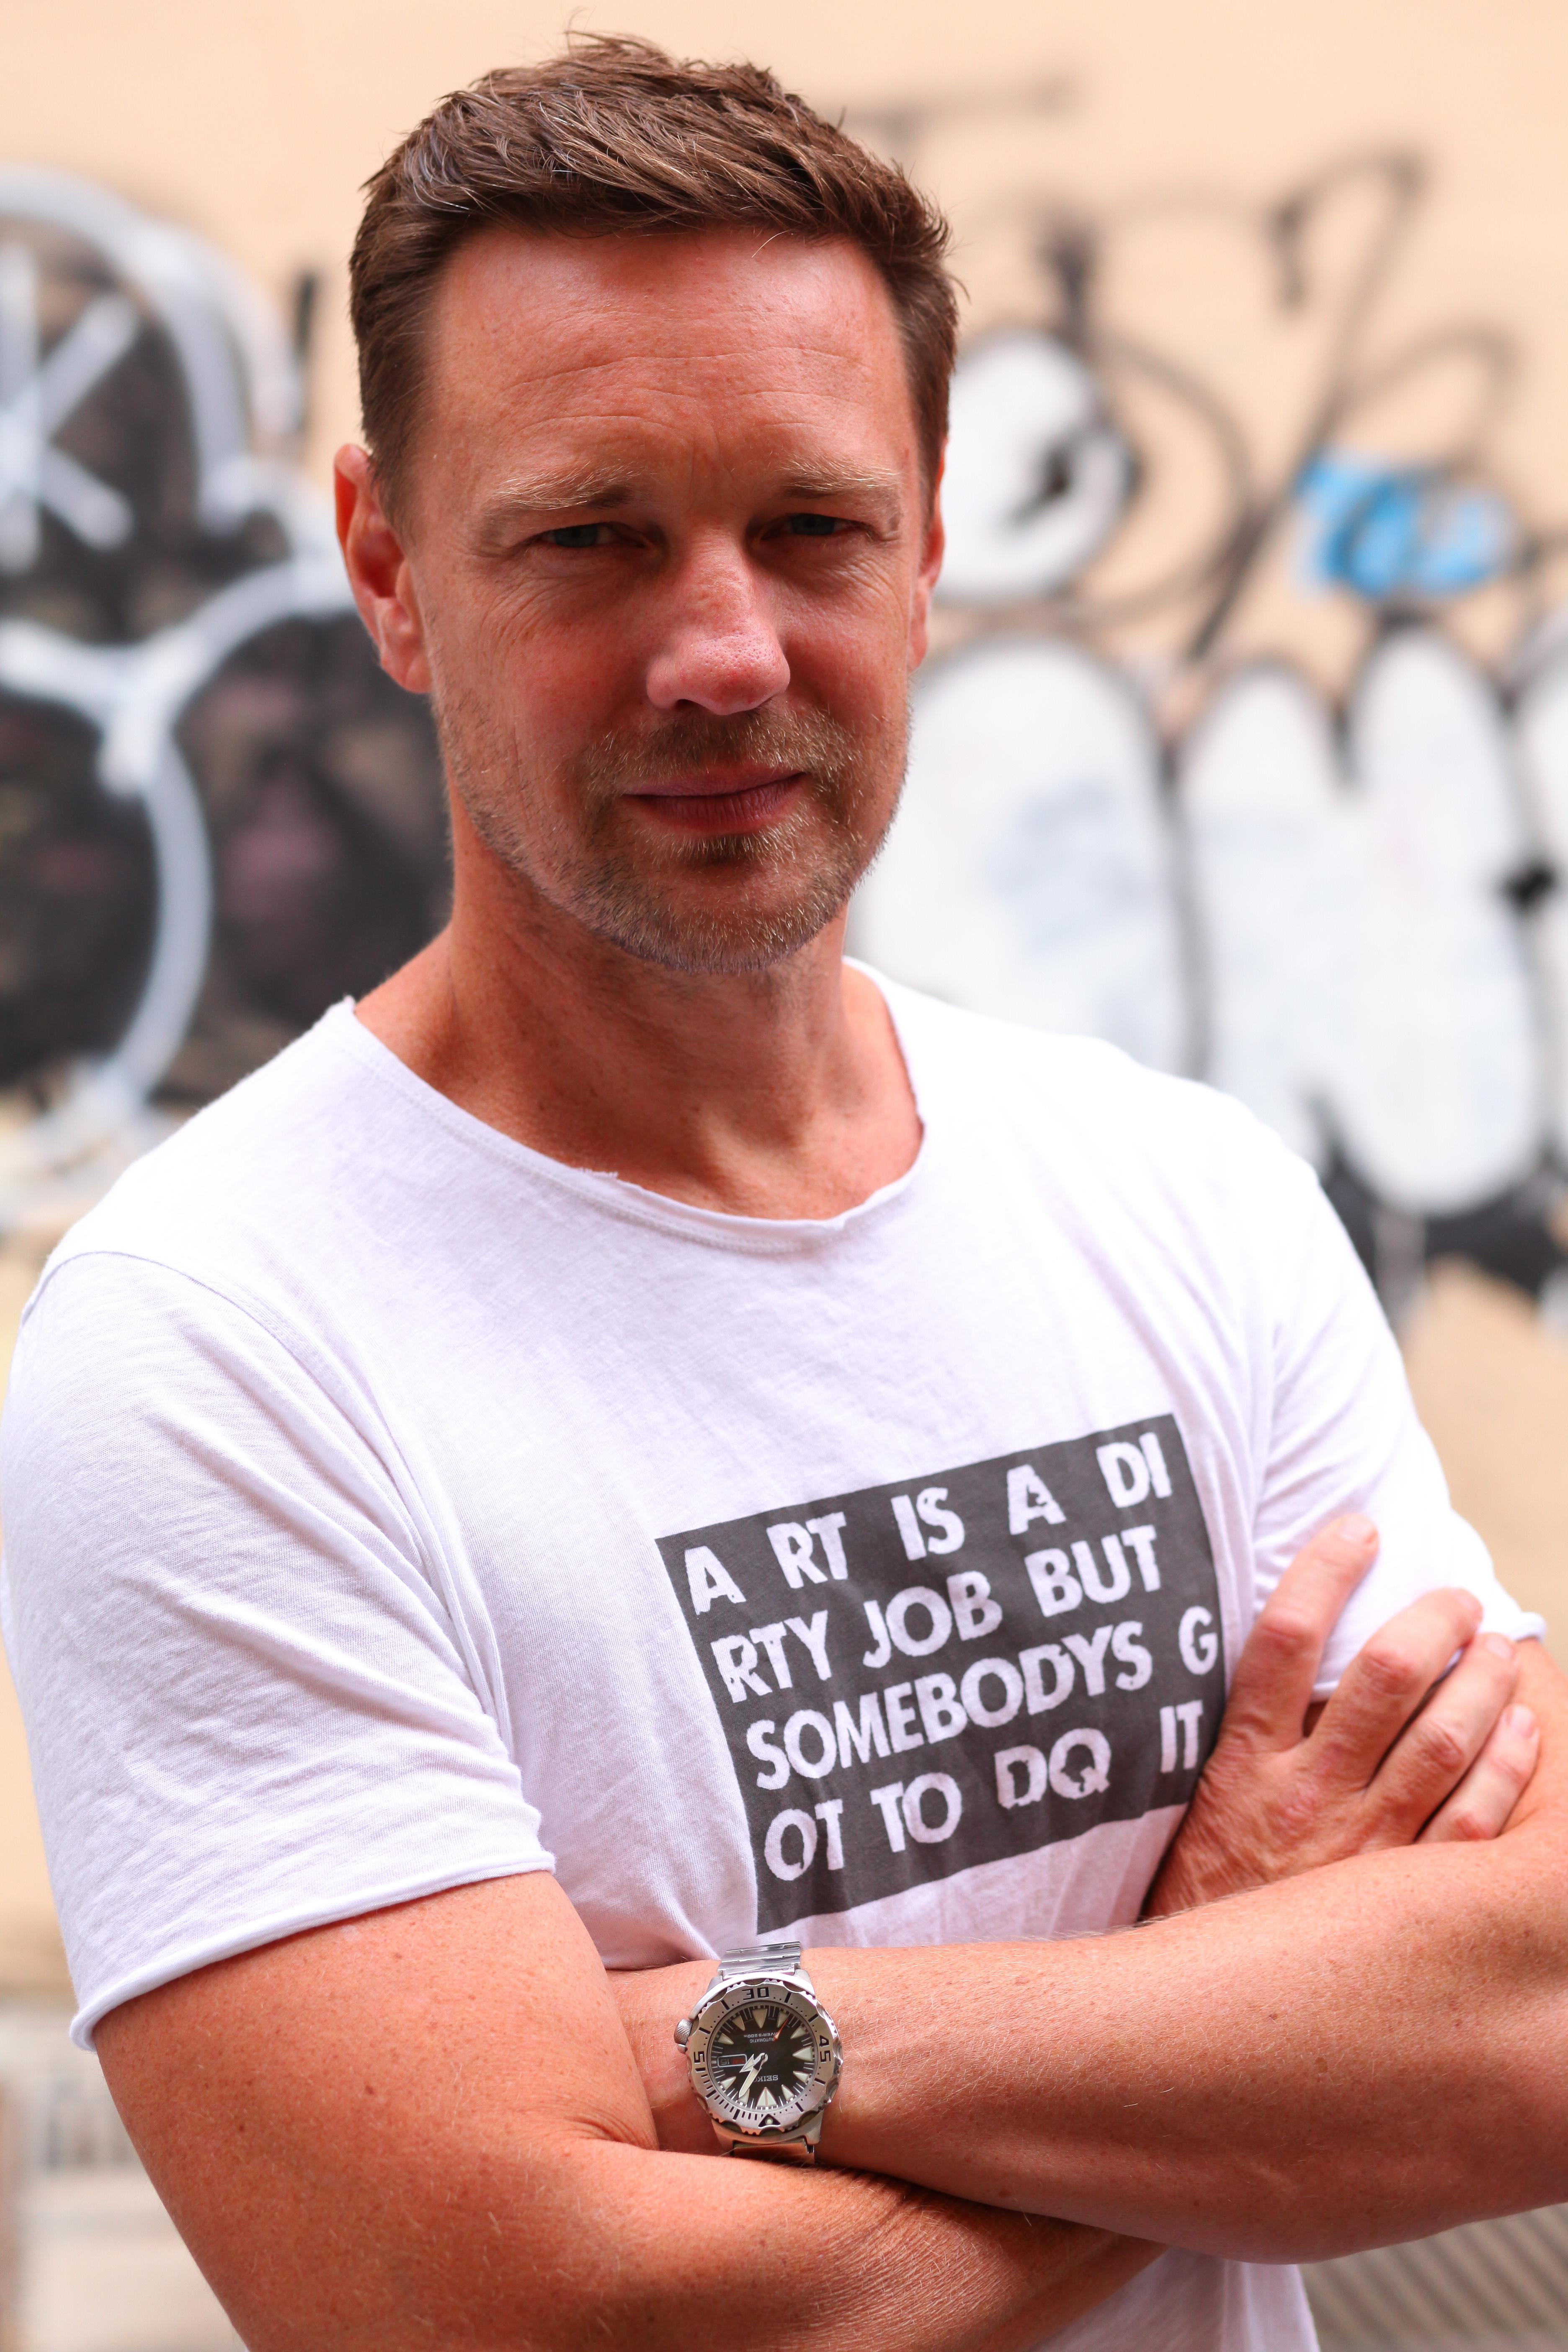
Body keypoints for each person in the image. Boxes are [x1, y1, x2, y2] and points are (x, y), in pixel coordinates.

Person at [0, 37, 1561, 2352]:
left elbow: (1526, 2031)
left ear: (930, 543)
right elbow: (502, 2312)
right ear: (388, 565)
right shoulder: (216, 1342)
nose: (723, 651)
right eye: (590, 538)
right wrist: (1226, 2012)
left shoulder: (1186, 1200)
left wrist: (727, 2050)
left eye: (812, 529)